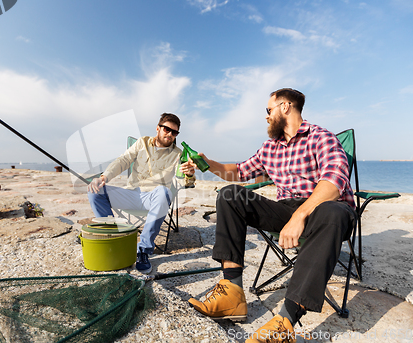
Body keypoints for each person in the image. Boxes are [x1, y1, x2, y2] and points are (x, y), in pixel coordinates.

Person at [188, 89, 356, 342]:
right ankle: (232, 293)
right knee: (230, 195)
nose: (266, 117)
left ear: (285, 107)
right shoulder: (270, 148)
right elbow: (240, 172)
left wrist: (300, 216)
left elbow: (333, 183)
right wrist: (208, 163)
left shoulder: (321, 137)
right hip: (287, 210)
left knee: (331, 211)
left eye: (269, 110)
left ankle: (285, 323)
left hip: (327, 211)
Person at [87, 113, 196, 274]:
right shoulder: (142, 143)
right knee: (95, 190)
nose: (170, 134)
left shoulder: (179, 154)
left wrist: (189, 175)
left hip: (154, 198)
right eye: (167, 129)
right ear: (158, 128)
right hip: (131, 194)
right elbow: (123, 161)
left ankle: (143, 250)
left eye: (174, 132)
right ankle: (112, 236)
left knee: (163, 192)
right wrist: (103, 177)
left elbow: (183, 181)